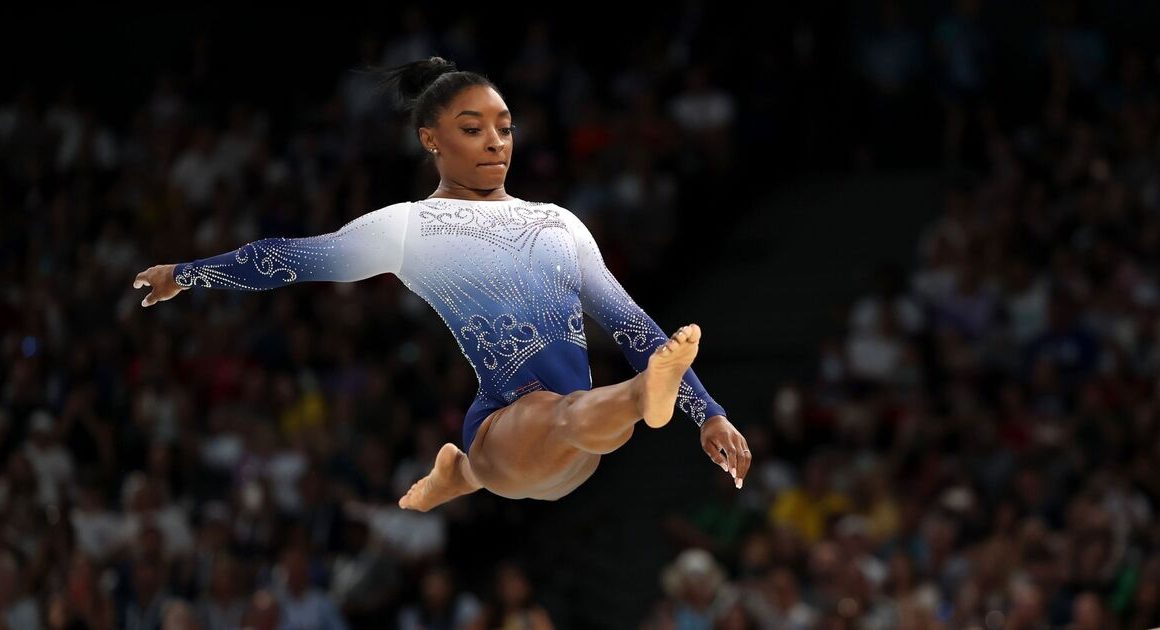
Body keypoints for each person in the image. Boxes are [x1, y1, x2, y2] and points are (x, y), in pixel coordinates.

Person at [132, 56, 750, 513]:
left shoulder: (558, 223)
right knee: (559, 416)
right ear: (431, 139)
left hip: (576, 451)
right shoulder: (409, 227)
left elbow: (632, 325)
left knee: (577, 421)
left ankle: (474, 469)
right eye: (472, 127)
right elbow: (294, 258)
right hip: (505, 425)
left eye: (505, 128)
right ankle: (641, 397)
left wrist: (710, 415)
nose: (495, 142)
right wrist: (187, 273)